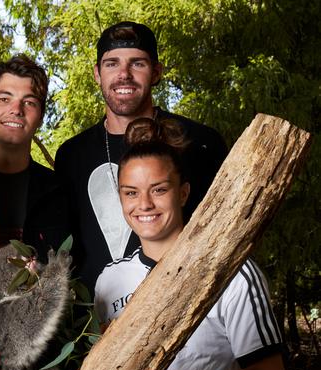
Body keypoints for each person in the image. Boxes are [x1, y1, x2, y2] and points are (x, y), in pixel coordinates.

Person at [93, 118, 285, 370]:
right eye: (130, 193)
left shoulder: (233, 274)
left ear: (182, 192)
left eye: (158, 189)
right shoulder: (109, 279)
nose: (144, 204)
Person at [55, 21, 228, 294]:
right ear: (97, 74)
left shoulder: (200, 142)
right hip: (96, 322)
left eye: (137, 63)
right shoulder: (71, 154)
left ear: (156, 72)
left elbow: (223, 232)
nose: (123, 74)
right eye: (112, 64)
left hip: (186, 304)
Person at [0, 54, 69, 255]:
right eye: (4, 99)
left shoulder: (59, 192)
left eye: (29, 103)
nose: (16, 110)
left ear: (41, 117)